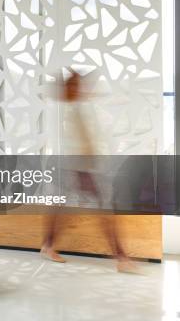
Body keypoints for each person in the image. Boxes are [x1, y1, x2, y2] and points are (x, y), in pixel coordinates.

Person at [40, 71, 137, 273]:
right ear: (67, 88)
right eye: (74, 85)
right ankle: (121, 257)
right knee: (103, 210)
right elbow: (74, 141)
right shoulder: (63, 110)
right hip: (76, 167)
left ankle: (48, 245)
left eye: (79, 85)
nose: (79, 89)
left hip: (80, 167)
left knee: (65, 209)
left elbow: (86, 137)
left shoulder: (75, 107)